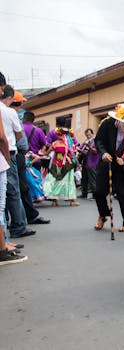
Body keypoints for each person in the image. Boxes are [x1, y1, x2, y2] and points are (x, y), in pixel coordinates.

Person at [0, 85, 36, 239]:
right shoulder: (9, 112)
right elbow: (18, 136)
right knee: (13, 192)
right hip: (9, 153)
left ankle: (5, 228)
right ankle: (18, 227)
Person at [0, 72, 27, 265]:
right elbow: (12, 136)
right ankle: (7, 240)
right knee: (9, 196)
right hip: (5, 153)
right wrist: (7, 155)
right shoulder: (8, 112)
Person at [93, 104, 124, 233]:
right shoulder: (107, 124)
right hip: (107, 161)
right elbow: (98, 140)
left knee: (123, 195)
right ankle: (103, 215)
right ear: (119, 121)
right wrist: (103, 153)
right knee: (99, 191)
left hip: (122, 165)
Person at [44, 118, 80, 207]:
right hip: (68, 164)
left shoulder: (55, 143)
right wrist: (78, 163)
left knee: (54, 180)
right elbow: (74, 152)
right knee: (69, 181)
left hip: (56, 163)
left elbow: (47, 152)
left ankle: (54, 201)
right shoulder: (70, 144)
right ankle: (72, 201)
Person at [78, 128, 98, 199]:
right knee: (84, 179)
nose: (88, 136)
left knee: (93, 179)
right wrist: (79, 150)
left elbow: (96, 151)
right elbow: (81, 149)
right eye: (87, 135)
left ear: (92, 134)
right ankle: (84, 194)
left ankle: (95, 195)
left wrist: (89, 147)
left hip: (93, 163)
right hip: (85, 163)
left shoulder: (95, 141)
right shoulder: (86, 141)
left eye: (89, 135)